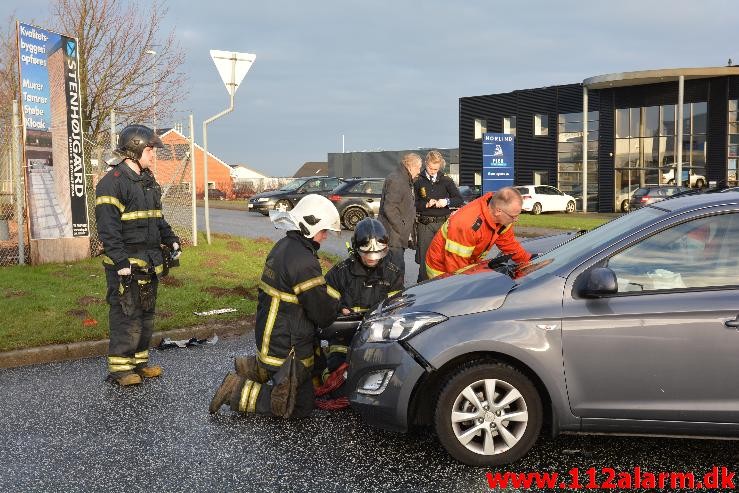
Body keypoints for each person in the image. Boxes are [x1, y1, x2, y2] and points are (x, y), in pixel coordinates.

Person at [209, 194, 341, 418]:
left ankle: (255, 368)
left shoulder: (284, 247)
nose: (326, 235)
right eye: (324, 230)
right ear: (311, 226)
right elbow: (322, 313)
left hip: (272, 335)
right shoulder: (303, 260)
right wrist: (338, 302)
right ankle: (236, 390)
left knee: (311, 377)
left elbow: (305, 292)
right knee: (299, 407)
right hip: (286, 345)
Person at [95, 124, 181, 386]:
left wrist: (171, 239)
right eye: (150, 149)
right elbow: (108, 229)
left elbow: (157, 219)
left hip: (149, 263)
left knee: (146, 314)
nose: (153, 154)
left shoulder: (148, 181)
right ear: (135, 149)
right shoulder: (112, 184)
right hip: (125, 266)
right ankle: (120, 369)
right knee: (126, 315)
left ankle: (139, 363)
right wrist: (120, 261)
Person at [323, 218, 404, 373]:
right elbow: (324, 301)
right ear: (356, 248)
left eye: (377, 253)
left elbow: (398, 308)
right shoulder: (340, 273)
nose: (372, 258)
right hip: (344, 338)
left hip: (379, 338)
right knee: (336, 369)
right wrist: (340, 308)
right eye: (367, 253)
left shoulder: (392, 273)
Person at [425, 186, 532, 279]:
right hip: (441, 270)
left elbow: (510, 245)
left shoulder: (503, 218)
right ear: (498, 211)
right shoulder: (466, 224)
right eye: (513, 216)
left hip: (466, 263)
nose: (516, 219)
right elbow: (456, 269)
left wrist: (530, 262)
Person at [413, 150, 464, 282]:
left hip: (443, 223)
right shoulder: (418, 180)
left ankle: (442, 283)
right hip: (425, 224)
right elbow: (413, 203)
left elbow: (459, 199)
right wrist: (426, 205)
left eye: (436, 169)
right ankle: (423, 284)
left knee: (444, 255)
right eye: (430, 168)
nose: (433, 171)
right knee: (425, 257)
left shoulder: (446, 180)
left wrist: (446, 201)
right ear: (426, 163)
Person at [377, 153, 422, 283]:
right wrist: (402, 228)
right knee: (395, 272)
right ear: (411, 166)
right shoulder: (397, 180)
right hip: (393, 237)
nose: (419, 171)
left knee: (395, 271)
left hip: (396, 236)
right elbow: (390, 208)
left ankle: (395, 298)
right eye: (418, 168)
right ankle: (394, 300)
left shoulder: (404, 179)